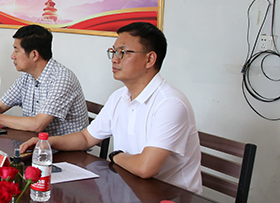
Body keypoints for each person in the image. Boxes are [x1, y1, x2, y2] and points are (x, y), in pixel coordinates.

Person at [21, 22, 202, 193]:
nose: (114, 59)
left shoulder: (170, 104)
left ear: (150, 59)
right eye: (113, 52)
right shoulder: (119, 97)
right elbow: (86, 138)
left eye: (123, 52)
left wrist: (115, 156)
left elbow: (146, 167)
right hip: (130, 188)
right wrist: (47, 142)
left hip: (171, 199)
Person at [0, 24, 88, 135]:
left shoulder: (62, 79)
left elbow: (37, 124)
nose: (12, 56)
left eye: (16, 50)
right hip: (34, 141)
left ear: (34, 55)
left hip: (63, 149)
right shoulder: (27, 77)